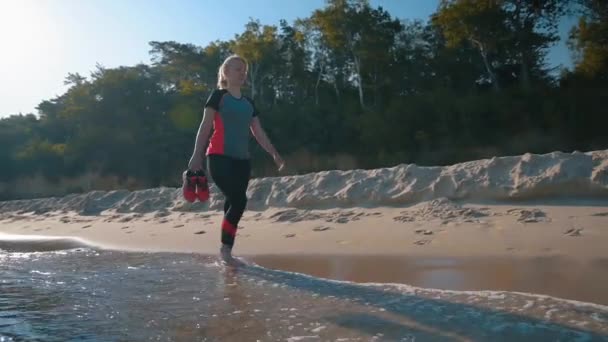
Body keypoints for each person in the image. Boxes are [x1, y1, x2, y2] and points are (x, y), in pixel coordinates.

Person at [187, 54, 285, 261]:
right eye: (237, 69)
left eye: (244, 70)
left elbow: (259, 133)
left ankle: (226, 250)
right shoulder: (218, 96)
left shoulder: (249, 103)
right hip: (218, 157)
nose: (242, 73)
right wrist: (196, 157)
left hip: (242, 161)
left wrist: (274, 153)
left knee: (233, 201)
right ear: (226, 72)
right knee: (240, 200)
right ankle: (226, 250)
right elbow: (205, 127)